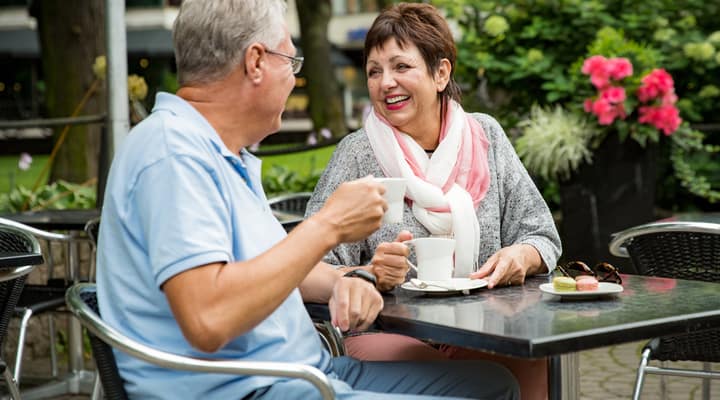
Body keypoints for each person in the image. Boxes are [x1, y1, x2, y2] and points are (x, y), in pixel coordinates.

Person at [95, 1, 520, 399]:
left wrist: (350, 278)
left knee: (493, 383)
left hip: (303, 371)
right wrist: (327, 226)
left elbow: (273, 271)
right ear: (256, 62)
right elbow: (209, 320)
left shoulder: (221, 152)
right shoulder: (173, 154)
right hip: (255, 388)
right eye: (290, 61)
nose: (295, 77)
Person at [305, 3, 562, 400]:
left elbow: (540, 233)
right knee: (460, 376)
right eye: (374, 71)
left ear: (441, 73)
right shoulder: (357, 154)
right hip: (386, 332)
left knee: (534, 356)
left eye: (400, 67)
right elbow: (310, 262)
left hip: (483, 326)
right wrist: (370, 273)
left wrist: (521, 256)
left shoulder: (486, 136)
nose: (385, 82)